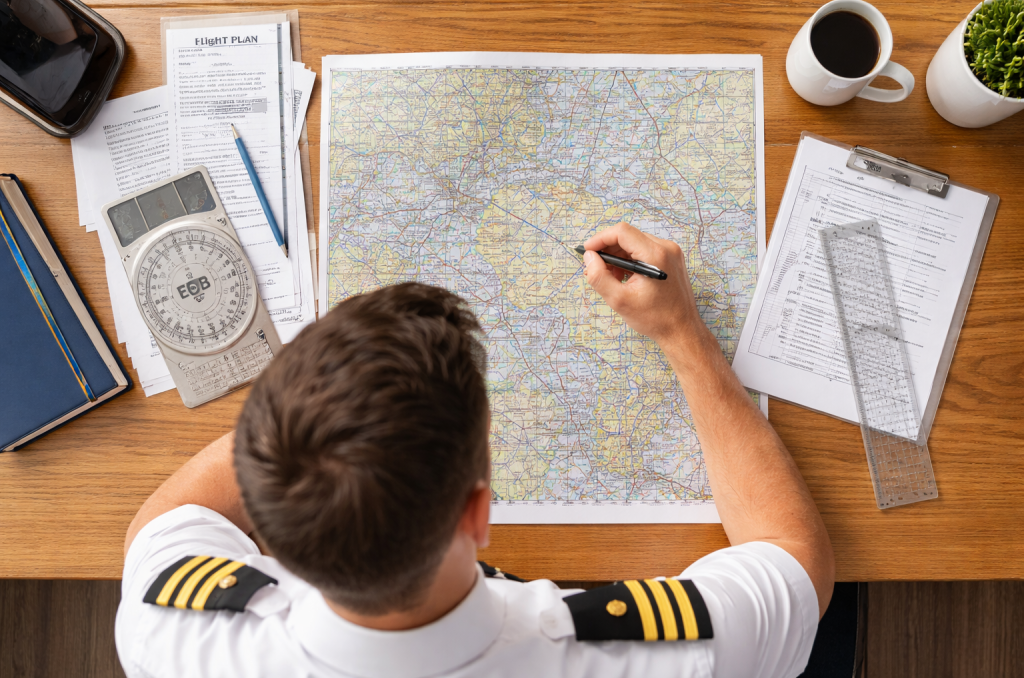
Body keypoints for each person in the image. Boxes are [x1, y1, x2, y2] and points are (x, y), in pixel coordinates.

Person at [115, 223, 834, 678]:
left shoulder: (170, 632)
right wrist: (683, 334)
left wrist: (322, 391)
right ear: (477, 512)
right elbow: (795, 559)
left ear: (267, 529)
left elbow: (163, 522)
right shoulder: (652, 655)